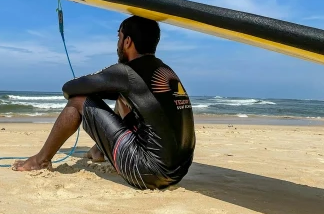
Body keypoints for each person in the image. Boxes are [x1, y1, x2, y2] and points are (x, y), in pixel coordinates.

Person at [13, 16, 195, 190]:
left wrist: (96, 91)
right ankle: (99, 151)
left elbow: (69, 89)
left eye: (119, 37)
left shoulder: (126, 72)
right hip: (178, 171)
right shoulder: (164, 69)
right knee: (122, 99)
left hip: (148, 173)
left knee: (78, 101)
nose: (117, 44)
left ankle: (40, 161)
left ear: (127, 42)